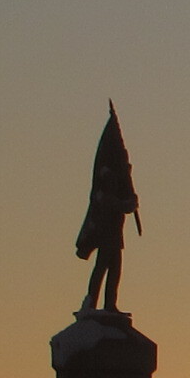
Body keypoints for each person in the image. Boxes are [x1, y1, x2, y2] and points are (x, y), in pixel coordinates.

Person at [75, 103, 141, 311]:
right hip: (105, 234)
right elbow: (113, 204)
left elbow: (124, 205)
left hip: (115, 234)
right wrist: (127, 203)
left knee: (115, 270)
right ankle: (91, 301)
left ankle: (110, 304)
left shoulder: (116, 187)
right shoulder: (103, 191)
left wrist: (130, 201)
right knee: (102, 268)